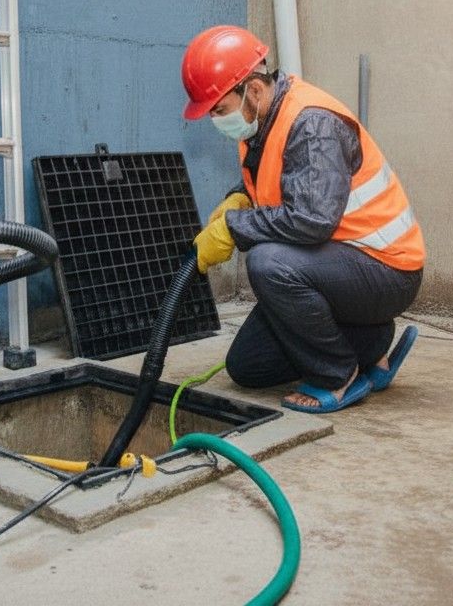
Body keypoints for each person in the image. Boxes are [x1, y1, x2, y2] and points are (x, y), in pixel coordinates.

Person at [182, 25, 425, 414]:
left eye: (219, 109)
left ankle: (338, 374)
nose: (216, 120)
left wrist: (233, 229)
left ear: (254, 90)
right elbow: (277, 182)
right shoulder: (260, 123)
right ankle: (372, 343)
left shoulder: (312, 125)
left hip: (386, 271)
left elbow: (312, 219)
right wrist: (238, 201)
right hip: (338, 267)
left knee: (267, 262)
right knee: (246, 366)